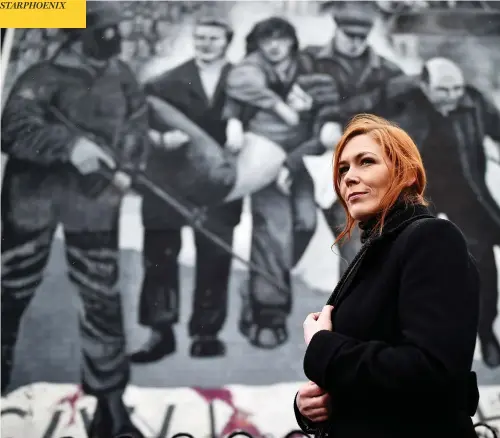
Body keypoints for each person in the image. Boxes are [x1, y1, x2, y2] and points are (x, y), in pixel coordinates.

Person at [1, 3, 149, 437]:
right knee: (8, 294)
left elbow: (138, 124)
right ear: (80, 33)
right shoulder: (40, 76)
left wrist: (128, 166)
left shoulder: (121, 75)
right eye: (106, 29)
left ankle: (110, 406)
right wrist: (69, 146)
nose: (115, 36)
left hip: (94, 204)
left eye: (117, 28)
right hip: (33, 204)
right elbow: (12, 128)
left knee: (102, 302)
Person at [294, 114, 480, 437]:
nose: (349, 177)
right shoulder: (375, 252)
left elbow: (433, 373)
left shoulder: (432, 239)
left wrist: (323, 347)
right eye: (342, 169)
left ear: (406, 173)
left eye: (365, 162)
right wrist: (310, 405)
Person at [130, 16, 243, 361]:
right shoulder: (165, 82)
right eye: (200, 37)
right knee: (160, 258)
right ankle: (159, 333)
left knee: (215, 257)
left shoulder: (242, 81)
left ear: (227, 41)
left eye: (213, 38)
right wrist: (160, 139)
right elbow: (138, 123)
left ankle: (206, 334)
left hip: (219, 187)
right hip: (169, 180)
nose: (205, 43)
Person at [385, 57, 500, 368]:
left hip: (466, 190)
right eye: (443, 90)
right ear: (425, 87)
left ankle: (486, 330)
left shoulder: (473, 102)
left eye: (457, 88)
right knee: (416, 263)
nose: (452, 96)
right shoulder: (404, 103)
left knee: (481, 260)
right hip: (419, 193)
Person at [303, 0, 410, 277]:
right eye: (349, 36)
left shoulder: (387, 71)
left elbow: (402, 121)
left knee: (355, 241)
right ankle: (265, 313)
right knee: (290, 235)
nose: (355, 43)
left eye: (361, 38)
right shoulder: (308, 60)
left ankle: (350, 315)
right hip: (306, 163)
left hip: (356, 170)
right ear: (335, 29)